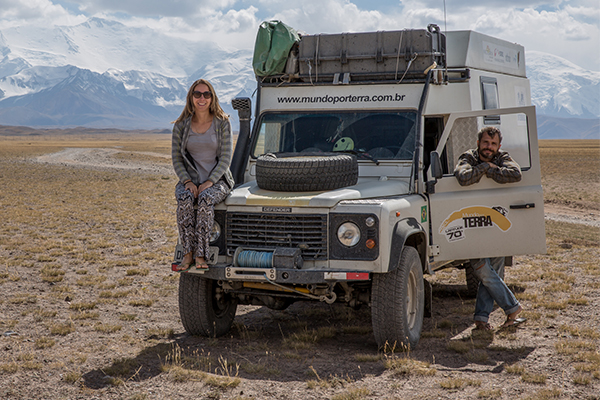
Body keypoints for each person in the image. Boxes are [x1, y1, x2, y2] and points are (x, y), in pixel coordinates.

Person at [454, 126, 524, 330]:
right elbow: (462, 177)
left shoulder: (503, 157)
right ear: (478, 143)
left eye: (493, 144)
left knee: (493, 271)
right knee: (482, 268)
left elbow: (515, 174)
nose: (489, 147)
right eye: (485, 143)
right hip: (473, 220)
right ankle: (512, 308)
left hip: (496, 222)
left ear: (499, 146)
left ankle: (481, 319)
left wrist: (491, 169)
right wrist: (486, 168)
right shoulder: (468, 157)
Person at [172, 79, 235, 270]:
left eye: (206, 94)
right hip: (190, 180)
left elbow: (225, 158)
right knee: (184, 199)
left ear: (212, 97)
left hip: (218, 181)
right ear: (191, 98)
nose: (202, 98)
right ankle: (187, 254)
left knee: (206, 199)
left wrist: (210, 181)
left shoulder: (222, 123)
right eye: (197, 94)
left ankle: (201, 255)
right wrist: (188, 182)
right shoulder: (181, 126)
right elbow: (176, 159)